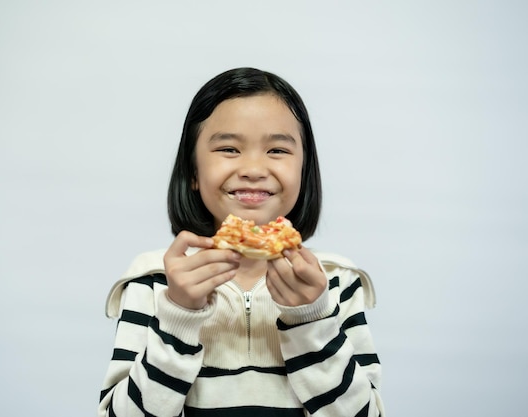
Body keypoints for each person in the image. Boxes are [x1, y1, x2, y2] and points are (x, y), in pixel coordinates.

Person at [98, 67, 384, 416]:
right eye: (230, 149)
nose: (252, 168)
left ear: (303, 172)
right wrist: (178, 314)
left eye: (277, 150)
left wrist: (311, 318)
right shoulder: (154, 281)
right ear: (192, 173)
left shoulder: (336, 282)